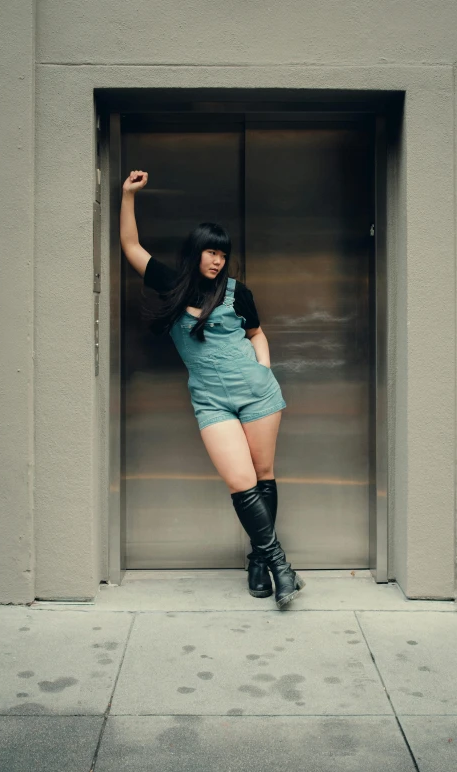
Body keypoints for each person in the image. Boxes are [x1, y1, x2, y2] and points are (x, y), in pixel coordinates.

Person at [120, 169, 305, 609]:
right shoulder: (169, 283)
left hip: (258, 395)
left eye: (223, 253)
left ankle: (260, 564)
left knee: (263, 476)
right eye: (210, 251)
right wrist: (127, 196)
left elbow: (258, 334)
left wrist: (263, 369)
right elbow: (131, 247)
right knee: (241, 481)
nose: (217, 260)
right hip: (211, 402)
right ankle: (280, 564)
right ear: (195, 252)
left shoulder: (240, 294)